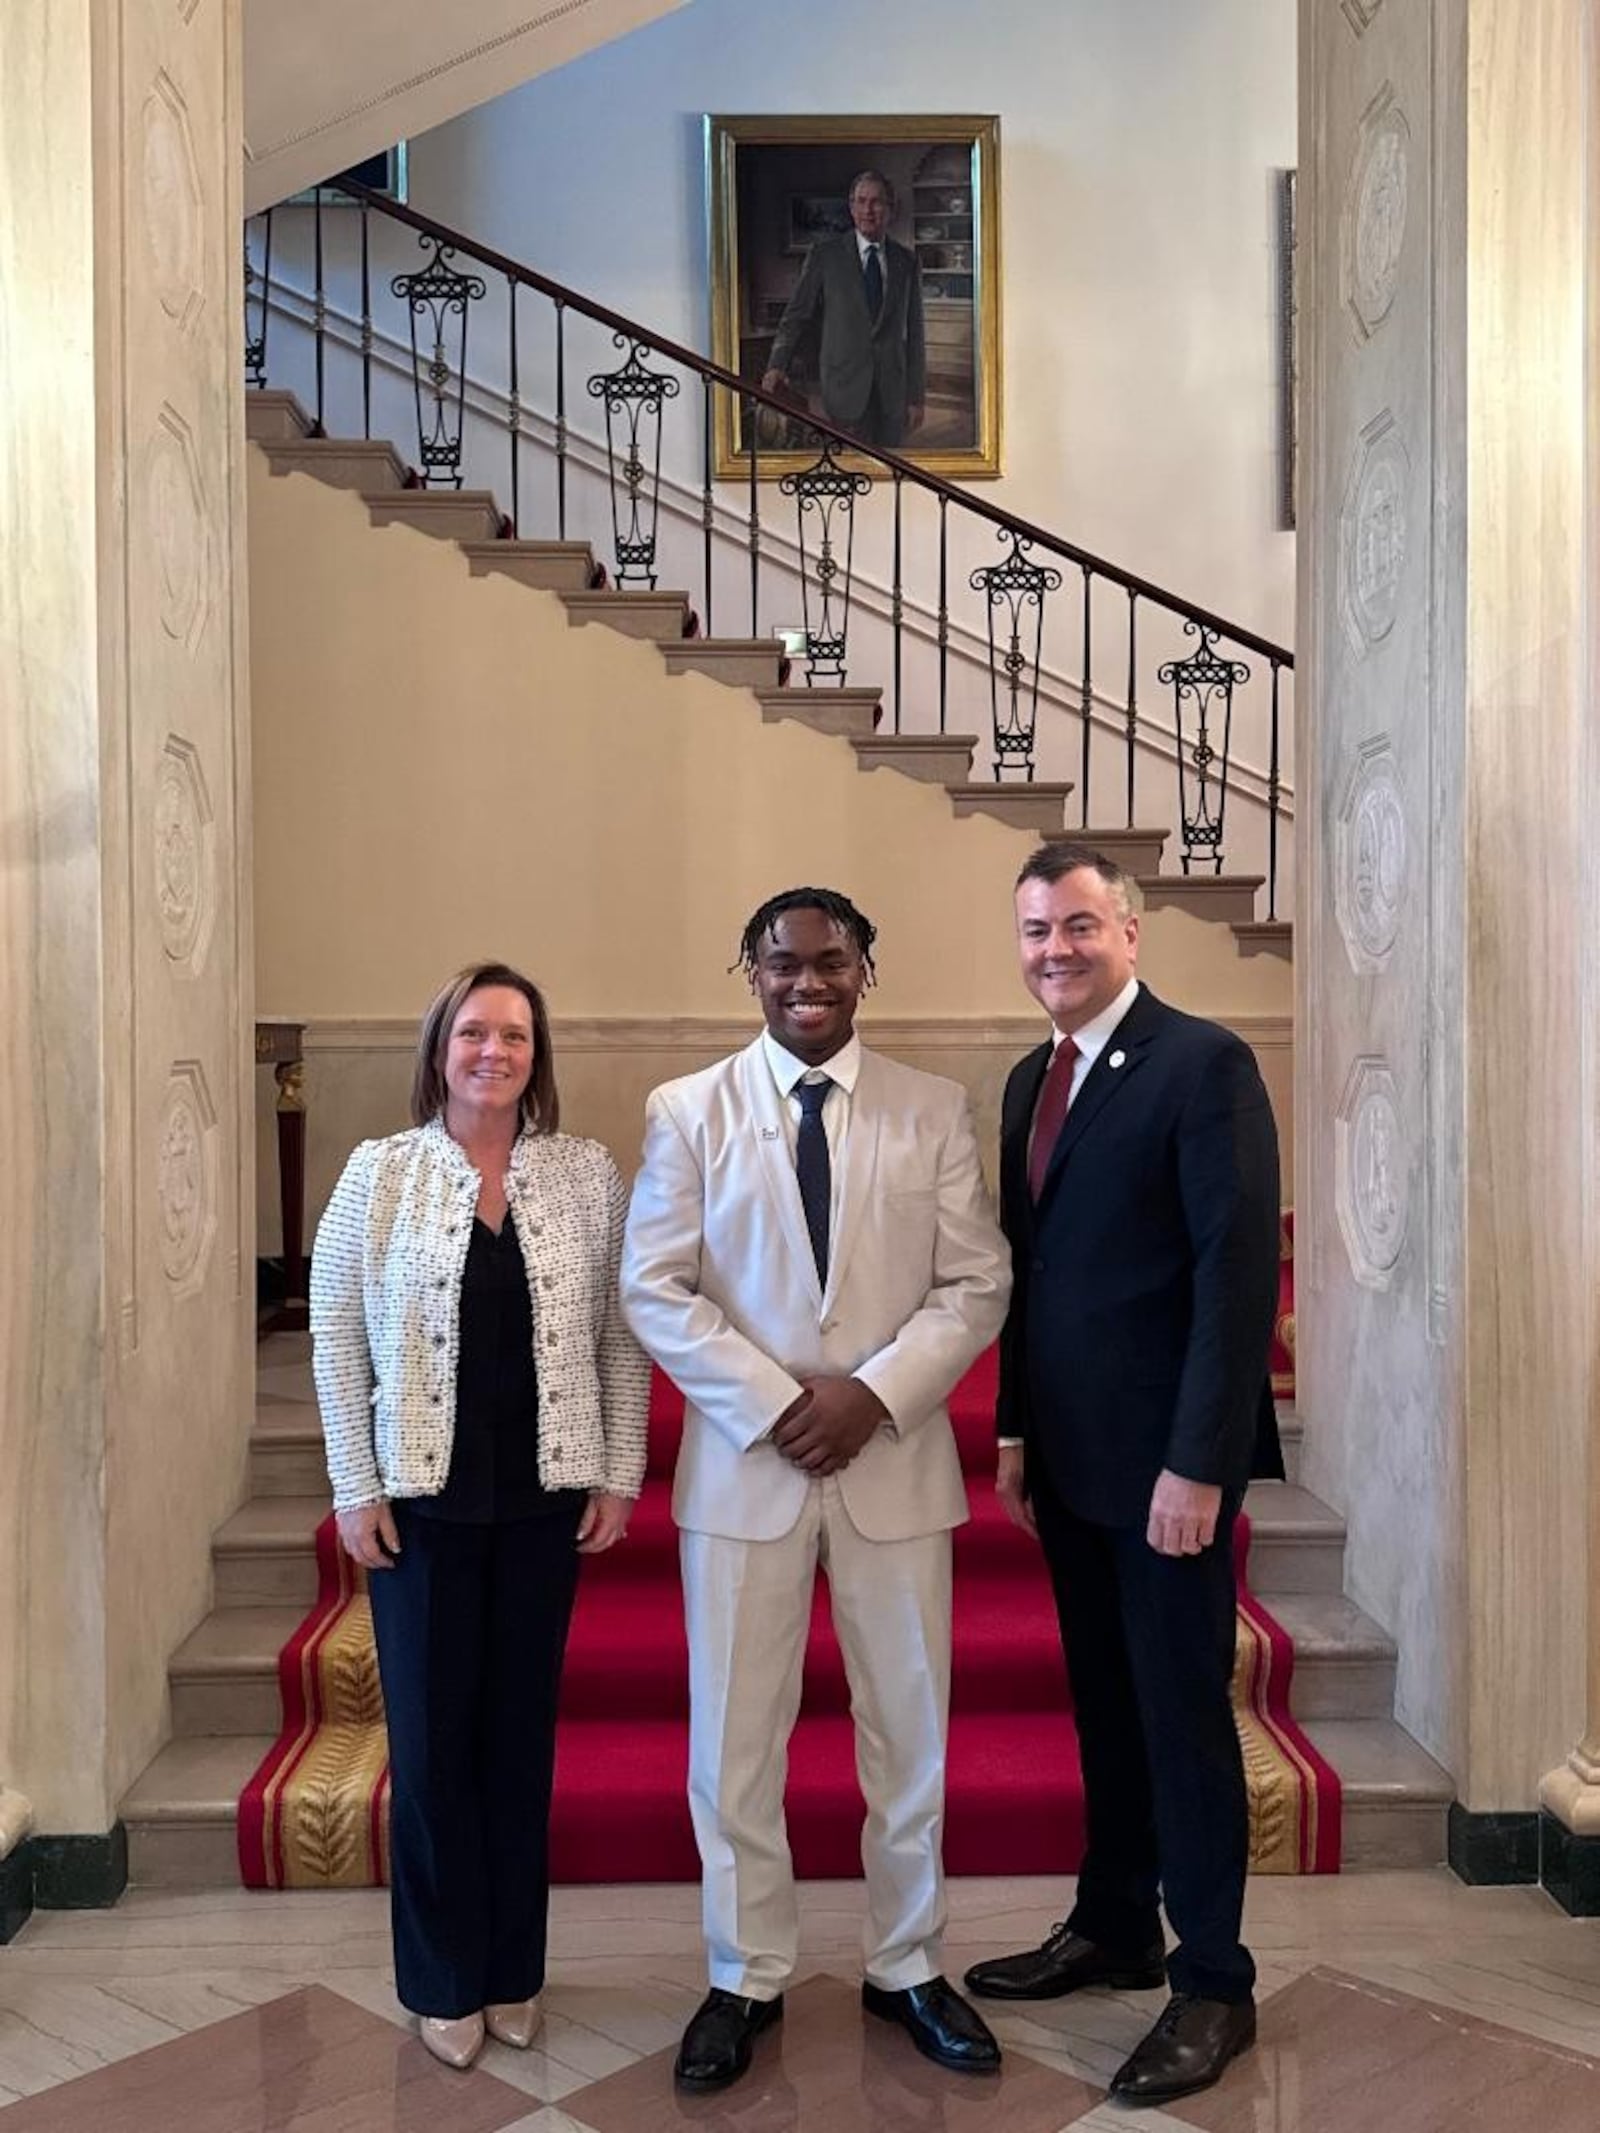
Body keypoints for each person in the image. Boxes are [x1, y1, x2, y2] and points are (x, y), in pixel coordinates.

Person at [621, 888, 1011, 2093]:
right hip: (748, 1470)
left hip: (892, 1463)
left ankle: (907, 1966)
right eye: (782, 962)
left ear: (865, 972)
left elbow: (975, 1282)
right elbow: (654, 1285)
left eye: (831, 961)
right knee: (735, 1739)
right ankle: (744, 1974)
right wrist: (776, 1402)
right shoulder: (687, 1111)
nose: (807, 980)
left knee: (912, 1733)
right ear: (748, 969)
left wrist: (873, 1396)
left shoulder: (932, 1108)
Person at [963, 845, 1282, 2108]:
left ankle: (1213, 1980)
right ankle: (1113, 1923)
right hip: (1074, 1468)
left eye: (1079, 926)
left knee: (1183, 1720)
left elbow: (1234, 1274)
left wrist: (1198, 1465)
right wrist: (1015, 1432)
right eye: (1036, 930)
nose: (1055, 950)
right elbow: (1030, 1280)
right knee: (1103, 1701)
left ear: (1132, 934)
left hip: (1168, 1475)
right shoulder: (1030, 1079)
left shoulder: (1203, 1066)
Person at [310, 960, 650, 2071]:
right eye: (472, 1034)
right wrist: (353, 1485)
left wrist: (616, 1472)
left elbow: (617, 1333)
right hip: (424, 1509)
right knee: (434, 1745)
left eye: (513, 1035)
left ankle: (513, 1969)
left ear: (536, 1055)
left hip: (543, 1502)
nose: (492, 1052)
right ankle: (444, 1977)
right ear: (439, 1048)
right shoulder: (382, 1174)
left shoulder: (585, 1175)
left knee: (518, 1747)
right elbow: (336, 1339)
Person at [760, 170, 926, 450]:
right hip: (843, 386)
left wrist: (916, 396)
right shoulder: (825, 256)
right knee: (848, 473)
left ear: (890, 209)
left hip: (892, 393)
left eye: (876, 202)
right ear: (851, 207)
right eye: (860, 202)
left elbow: (916, 332)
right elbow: (796, 317)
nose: (868, 210)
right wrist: (777, 365)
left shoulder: (906, 261)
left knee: (891, 476)